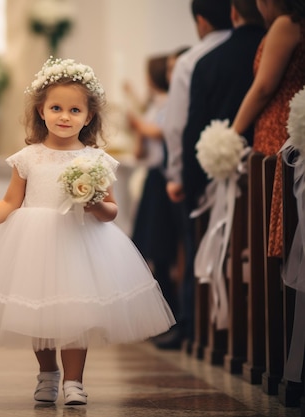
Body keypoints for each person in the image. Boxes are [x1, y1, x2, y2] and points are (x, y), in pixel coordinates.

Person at [0, 57, 175, 406]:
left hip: (80, 243)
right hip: (34, 244)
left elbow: (111, 210)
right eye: (56, 108)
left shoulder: (96, 160)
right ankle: (47, 373)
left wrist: (96, 205)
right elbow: (10, 203)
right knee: (38, 312)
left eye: (74, 110)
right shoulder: (29, 158)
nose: (64, 116)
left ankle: (74, 381)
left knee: (76, 312)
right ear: (41, 111)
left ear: (88, 117)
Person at [163, 0, 233, 348]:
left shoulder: (192, 60)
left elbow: (176, 126)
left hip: (201, 173)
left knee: (196, 247)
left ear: (201, 21)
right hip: (256, 164)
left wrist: (176, 174)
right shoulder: (259, 47)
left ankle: (194, 327)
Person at [231, 0, 305, 258]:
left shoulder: (286, 23)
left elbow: (263, 87)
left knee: (279, 212)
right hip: (285, 125)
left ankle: (273, 290)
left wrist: (233, 132)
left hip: (278, 128)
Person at [183, 0, 266, 213]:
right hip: (277, 167)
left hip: (221, 176)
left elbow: (194, 127)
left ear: (234, 12)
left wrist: (191, 187)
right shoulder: (285, 46)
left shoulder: (207, 63)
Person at [128, 53, 181, 348]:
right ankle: (157, 318)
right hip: (152, 179)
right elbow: (141, 150)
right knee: (148, 247)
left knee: (160, 248)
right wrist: (139, 130)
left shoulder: (169, 103)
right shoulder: (153, 106)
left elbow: (161, 133)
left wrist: (137, 124)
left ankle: (169, 317)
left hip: (163, 180)